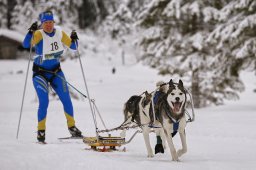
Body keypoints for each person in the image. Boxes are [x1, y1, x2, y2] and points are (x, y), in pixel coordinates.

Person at [23, 10, 82, 143]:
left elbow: (73, 47)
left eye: (50, 22)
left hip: (56, 72)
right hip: (40, 74)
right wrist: (30, 33)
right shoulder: (38, 34)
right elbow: (26, 45)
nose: (48, 25)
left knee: (67, 99)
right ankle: (41, 131)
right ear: (42, 24)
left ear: (54, 22)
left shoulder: (60, 33)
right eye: (45, 23)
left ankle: (72, 128)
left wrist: (74, 38)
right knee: (44, 102)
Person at [153, 81, 168, 154]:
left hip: (159, 116)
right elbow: (155, 103)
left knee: (159, 132)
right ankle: (162, 145)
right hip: (158, 116)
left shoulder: (160, 94)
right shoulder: (159, 94)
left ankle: (161, 144)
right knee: (160, 131)